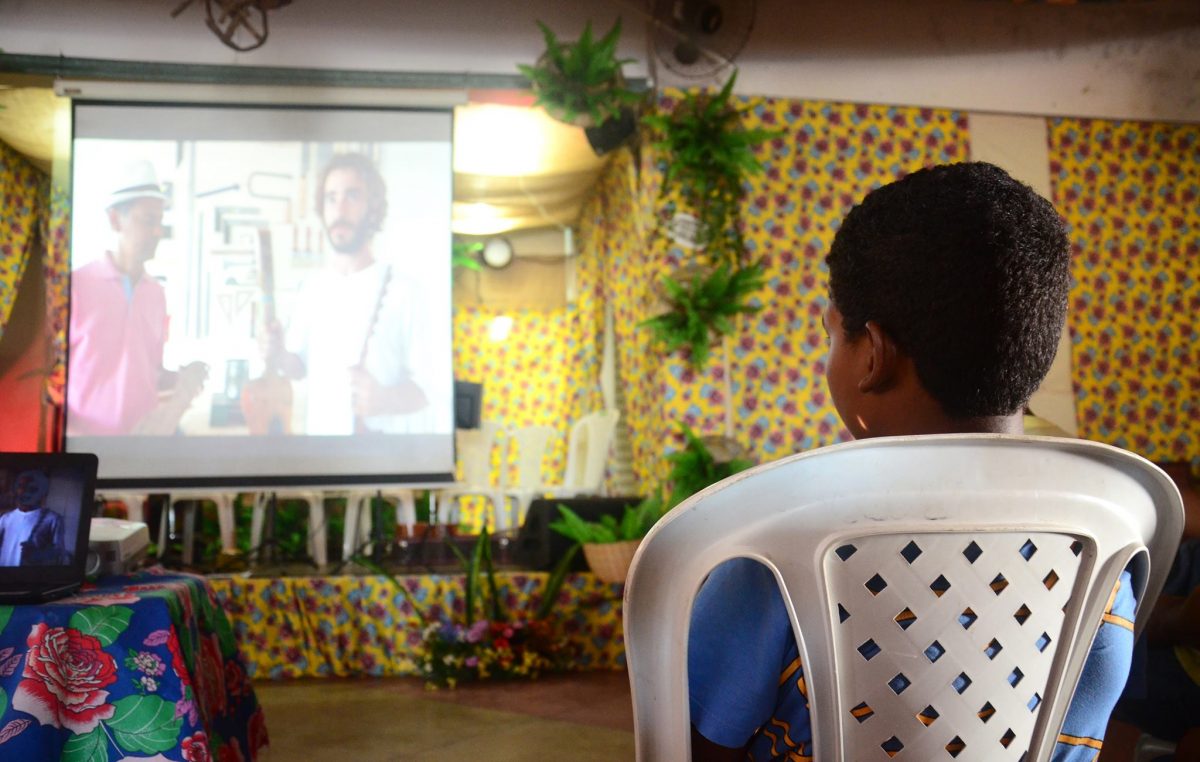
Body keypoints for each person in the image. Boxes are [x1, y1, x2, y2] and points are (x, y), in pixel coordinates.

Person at [688, 162, 1135, 761]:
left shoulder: (771, 552)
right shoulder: (1102, 553)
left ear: (872, 355)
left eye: (831, 337)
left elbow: (686, 746)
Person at [264, 152, 430, 435]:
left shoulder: (406, 291)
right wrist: (278, 354)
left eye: (352, 196)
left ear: (373, 207)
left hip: (381, 465)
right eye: (331, 198)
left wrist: (386, 400)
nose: (339, 209)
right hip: (320, 459)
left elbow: (431, 389)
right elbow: (299, 368)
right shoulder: (311, 289)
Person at [67, 161, 208, 436]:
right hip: (85, 445)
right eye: (148, 221)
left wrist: (183, 379)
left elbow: (150, 371)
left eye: (160, 222)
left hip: (141, 446)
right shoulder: (74, 287)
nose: (157, 232)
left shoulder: (156, 294)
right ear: (115, 219)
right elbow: (47, 379)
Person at [0, 470, 65, 566]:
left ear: (42, 493)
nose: (24, 492)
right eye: (21, 487)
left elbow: (59, 552)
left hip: (31, 577)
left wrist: (38, 554)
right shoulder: (5, 518)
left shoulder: (53, 519)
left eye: (32, 489)